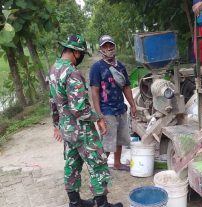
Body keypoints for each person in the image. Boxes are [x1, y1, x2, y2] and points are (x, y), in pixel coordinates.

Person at [48, 34, 122, 207]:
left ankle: (74, 202)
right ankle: (102, 203)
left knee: (72, 163)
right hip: (81, 129)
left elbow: (52, 101)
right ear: (74, 52)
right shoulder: (71, 72)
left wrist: (56, 125)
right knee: (98, 163)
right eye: (80, 53)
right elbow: (79, 109)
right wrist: (98, 118)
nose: (80, 57)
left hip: (67, 129)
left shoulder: (54, 69)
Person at [90, 35, 136, 171]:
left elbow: (126, 87)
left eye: (111, 45)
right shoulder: (96, 68)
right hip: (106, 110)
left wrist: (133, 105)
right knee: (108, 141)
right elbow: (94, 91)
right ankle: (101, 168)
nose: (109, 48)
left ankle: (117, 163)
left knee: (120, 138)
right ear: (101, 49)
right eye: (105, 46)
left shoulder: (120, 66)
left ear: (115, 47)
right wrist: (99, 115)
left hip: (120, 108)